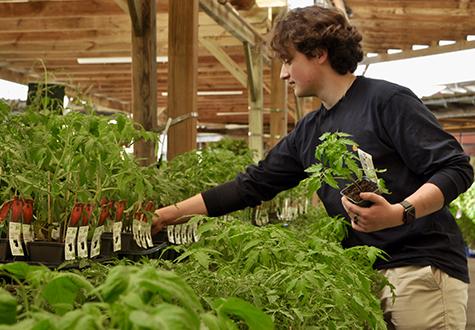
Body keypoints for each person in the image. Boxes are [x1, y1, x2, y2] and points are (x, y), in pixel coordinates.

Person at [152, 5, 474, 329]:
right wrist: (167, 214)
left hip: (418, 270)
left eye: (289, 60)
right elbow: (252, 185)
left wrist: (400, 211)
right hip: (360, 273)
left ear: (319, 53)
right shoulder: (310, 131)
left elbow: (456, 168)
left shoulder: (386, 101)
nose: (282, 74)